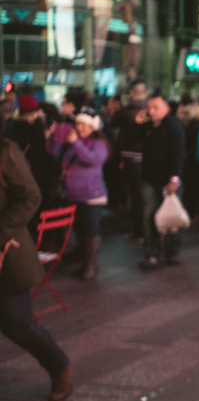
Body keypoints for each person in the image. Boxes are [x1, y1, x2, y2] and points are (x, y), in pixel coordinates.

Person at [0, 112, 73, 401]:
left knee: (18, 323)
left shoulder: (6, 151)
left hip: (7, 252)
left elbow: (31, 196)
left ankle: (59, 366)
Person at [137, 95, 186, 270]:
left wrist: (174, 178)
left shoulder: (174, 127)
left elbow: (179, 154)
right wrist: (138, 124)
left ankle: (172, 250)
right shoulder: (148, 127)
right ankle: (152, 252)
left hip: (168, 180)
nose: (151, 111)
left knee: (171, 217)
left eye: (155, 107)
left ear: (166, 108)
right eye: (149, 107)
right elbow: (134, 141)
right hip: (150, 179)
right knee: (149, 216)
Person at [61, 110, 110, 280]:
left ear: (92, 126)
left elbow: (93, 160)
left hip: (92, 195)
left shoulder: (99, 143)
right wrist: (54, 137)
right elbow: (56, 156)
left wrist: (76, 143)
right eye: (78, 124)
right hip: (74, 194)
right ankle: (84, 264)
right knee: (80, 231)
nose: (79, 127)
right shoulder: (75, 143)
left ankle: (91, 266)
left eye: (84, 124)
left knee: (91, 230)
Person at [3, 95, 57, 225]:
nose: (34, 117)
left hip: (37, 175)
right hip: (28, 175)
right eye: (31, 113)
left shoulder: (38, 126)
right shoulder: (17, 128)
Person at [110, 80, 149, 243]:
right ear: (146, 92)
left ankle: (140, 230)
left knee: (137, 195)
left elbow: (112, 122)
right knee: (147, 195)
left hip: (131, 158)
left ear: (131, 93)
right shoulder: (151, 110)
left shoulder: (126, 111)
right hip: (148, 157)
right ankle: (146, 230)